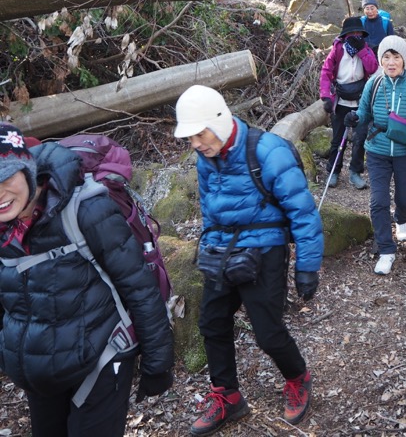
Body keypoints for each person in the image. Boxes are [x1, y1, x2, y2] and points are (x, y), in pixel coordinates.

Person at [0, 124, 174, 437]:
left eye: (5, 176)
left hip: (101, 360)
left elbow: (138, 287)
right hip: (42, 371)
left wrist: (158, 361)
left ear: (27, 168)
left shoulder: (87, 210)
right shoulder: (4, 227)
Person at [173, 85, 324, 434]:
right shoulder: (205, 157)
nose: (196, 143)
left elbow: (303, 213)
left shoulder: (268, 151)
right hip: (224, 249)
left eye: (200, 134)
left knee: (268, 334)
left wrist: (307, 267)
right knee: (212, 322)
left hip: (265, 248)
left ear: (220, 121)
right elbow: (210, 210)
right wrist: (208, 247)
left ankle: (298, 378)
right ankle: (227, 396)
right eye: (190, 137)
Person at [344, 35, 406, 275]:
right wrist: (354, 118)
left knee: (405, 199)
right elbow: (362, 112)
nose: (391, 62)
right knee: (378, 201)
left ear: (403, 60)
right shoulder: (373, 84)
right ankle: (386, 250)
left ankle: (402, 220)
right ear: (380, 59)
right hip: (378, 152)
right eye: (386, 57)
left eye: (396, 57)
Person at [320, 16, 379, 190]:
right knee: (338, 139)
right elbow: (326, 72)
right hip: (341, 99)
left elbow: (373, 68)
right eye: (351, 33)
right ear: (345, 35)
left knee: (360, 138)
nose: (355, 35)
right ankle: (334, 171)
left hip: (361, 100)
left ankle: (355, 172)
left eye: (357, 33)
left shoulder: (366, 49)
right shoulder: (337, 49)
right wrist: (326, 97)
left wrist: (362, 50)